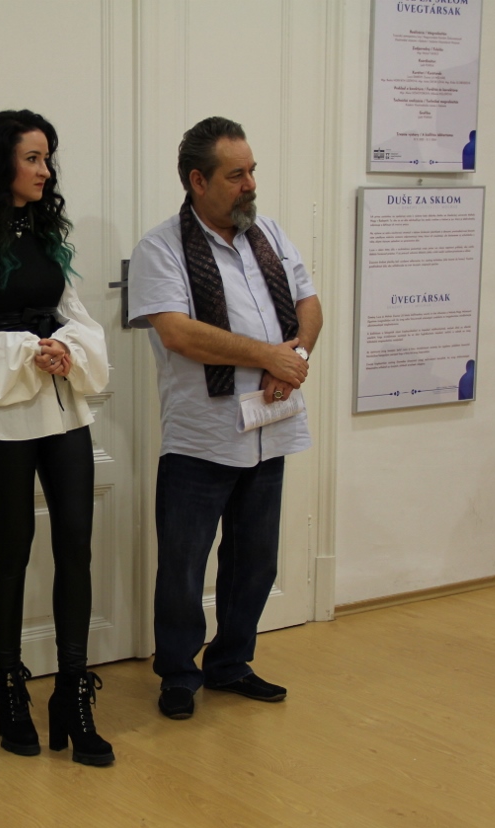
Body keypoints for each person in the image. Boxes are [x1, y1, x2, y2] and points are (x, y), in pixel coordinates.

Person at [0, 110, 114, 765]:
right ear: (0, 161)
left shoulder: (44, 233)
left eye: (47, 158)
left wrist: (68, 348)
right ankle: (10, 690)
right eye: (33, 157)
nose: (45, 170)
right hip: (5, 411)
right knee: (13, 546)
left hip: (63, 409)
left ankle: (73, 694)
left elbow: (75, 314)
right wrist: (22, 352)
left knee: (76, 546)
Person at [127, 116, 323, 720]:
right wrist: (267, 356)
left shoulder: (269, 234)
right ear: (197, 180)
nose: (250, 184)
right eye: (236, 175)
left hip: (269, 422)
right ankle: (178, 673)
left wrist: (293, 359)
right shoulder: (161, 248)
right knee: (184, 565)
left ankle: (232, 663)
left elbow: (310, 304)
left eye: (252, 171)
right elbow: (179, 333)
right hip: (202, 436)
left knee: (255, 560)